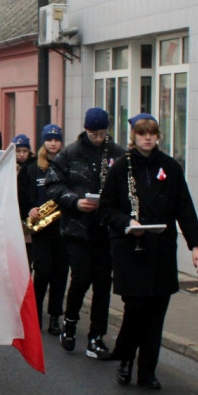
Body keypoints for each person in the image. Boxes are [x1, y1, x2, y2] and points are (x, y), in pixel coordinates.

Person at [101, 114, 198, 389]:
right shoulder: (120, 167)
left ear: (158, 136)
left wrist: (195, 246)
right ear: (133, 137)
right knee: (135, 309)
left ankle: (147, 371)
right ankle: (125, 359)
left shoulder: (170, 167)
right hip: (131, 250)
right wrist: (128, 223)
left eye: (152, 133)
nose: (147, 138)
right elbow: (107, 208)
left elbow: (184, 208)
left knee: (156, 314)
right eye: (142, 133)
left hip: (160, 250)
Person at [45, 107, 126, 359]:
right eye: (94, 133)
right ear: (86, 130)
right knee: (80, 279)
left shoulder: (117, 154)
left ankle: (96, 336)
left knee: (103, 283)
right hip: (77, 228)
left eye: (102, 133)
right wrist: (74, 201)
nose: (99, 138)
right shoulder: (70, 153)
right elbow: (53, 184)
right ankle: (70, 323)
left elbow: (125, 187)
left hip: (106, 228)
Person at [18, 123, 68, 335]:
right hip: (41, 229)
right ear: (43, 142)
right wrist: (30, 209)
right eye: (49, 139)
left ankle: (55, 316)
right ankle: (35, 313)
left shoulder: (68, 165)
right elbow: (22, 195)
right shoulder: (32, 168)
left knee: (60, 273)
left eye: (57, 140)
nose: (53, 143)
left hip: (63, 227)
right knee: (43, 270)